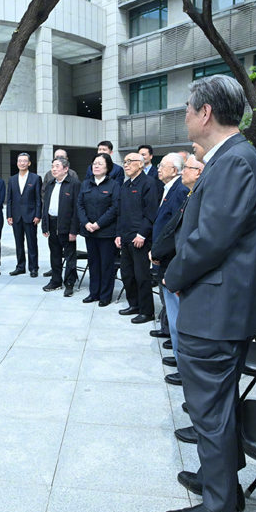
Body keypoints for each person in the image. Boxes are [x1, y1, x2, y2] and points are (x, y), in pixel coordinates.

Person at [163, 75, 256, 512]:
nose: (186, 115)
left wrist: (174, 276)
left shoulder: (233, 161)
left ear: (206, 112)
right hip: (220, 304)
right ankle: (219, 483)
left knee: (209, 409)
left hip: (215, 308)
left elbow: (211, 238)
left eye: (189, 108)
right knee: (217, 404)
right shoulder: (233, 157)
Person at [152, 154, 201, 444]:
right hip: (169, 259)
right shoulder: (186, 192)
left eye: (188, 167)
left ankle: (186, 370)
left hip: (179, 266)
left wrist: (161, 253)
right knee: (174, 320)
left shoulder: (187, 193)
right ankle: (183, 366)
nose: (184, 171)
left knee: (180, 319)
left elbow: (183, 234)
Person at [150, 153, 189, 378]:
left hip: (170, 257)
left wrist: (160, 252)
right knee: (169, 306)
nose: (158, 169)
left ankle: (183, 362)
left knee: (176, 311)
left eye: (162, 166)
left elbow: (175, 230)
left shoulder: (181, 191)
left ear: (175, 170)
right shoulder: (169, 189)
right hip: (163, 255)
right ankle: (178, 354)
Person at [116, 152, 157, 325]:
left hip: (140, 238)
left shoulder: (148, 183)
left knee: (142, 276)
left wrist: (142, 234)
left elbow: (151, 212)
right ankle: (134, 304)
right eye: (124, 162)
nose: (126, 165)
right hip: (125, 237)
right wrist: (118, 234)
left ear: (140, 164)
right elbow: (121, 213)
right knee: (127, 273)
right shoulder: (125, 185)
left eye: (129, 162)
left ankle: (147, 311)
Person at [77, 153, 120, 307]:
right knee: (93, 263)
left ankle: (105, 295)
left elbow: (114, 208)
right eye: (94, 163)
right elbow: (80, 205)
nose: (95, 166)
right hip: (89, 231)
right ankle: (93, 293)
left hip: (106, 232)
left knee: (106, 264)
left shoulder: (114, 185)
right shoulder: (86, 184)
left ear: (107, 168)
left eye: (100, 164)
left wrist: (98, 224)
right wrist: (86, 223)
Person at [41, 157, 80, 296]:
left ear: (65, 169)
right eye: (52, 166)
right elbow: (45, 206)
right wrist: (44, 225)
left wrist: (74, 230)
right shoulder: (50, 184)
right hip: (52, 223)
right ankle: (56, 280)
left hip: (67, 225)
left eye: (57, 166)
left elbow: (77, 209)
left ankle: (69, 283)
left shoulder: (74, 184)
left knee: (70, 256)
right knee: (55, 254)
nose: (54, 169)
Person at [6, 152, 42, 277]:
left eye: (24, 161)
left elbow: (38, 199)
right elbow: (9, 199)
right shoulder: (12, 179)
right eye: (20, 161)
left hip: (31, 216)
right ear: (17, 163)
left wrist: (38, 215)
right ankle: (20, 266)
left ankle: (33, 268)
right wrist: (9, 215)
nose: (22, 163)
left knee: (32, 243)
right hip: (16, 216)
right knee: (18, 243)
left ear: (29, 163)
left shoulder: (35, 178)